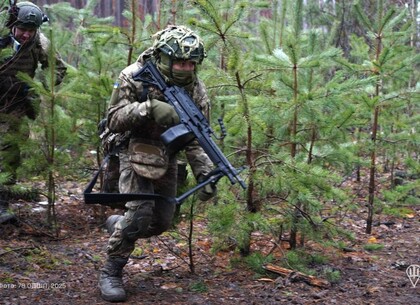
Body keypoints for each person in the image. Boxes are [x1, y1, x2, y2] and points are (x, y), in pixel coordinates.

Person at [98, 25, 217, 302]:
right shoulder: (134, 76)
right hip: (132, 147)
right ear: (163, 57)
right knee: (140, 212)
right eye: (179, 62)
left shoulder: (196, 89)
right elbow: (113, 118)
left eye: (190, 63)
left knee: (161, 221)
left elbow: (197, 136)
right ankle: (111, 271)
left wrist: (205, 173)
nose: (185, 68)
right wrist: (147, 108)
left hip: (167, 152)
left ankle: (121, 225)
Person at [0, 1, 67, 223]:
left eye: (31, 30)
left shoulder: (39, 42)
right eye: (22, 30)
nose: (26, 35)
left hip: (15, 103)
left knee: (10, 150)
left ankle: (2, 202)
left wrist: (38, 85)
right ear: (12, 25)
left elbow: (58, 69)